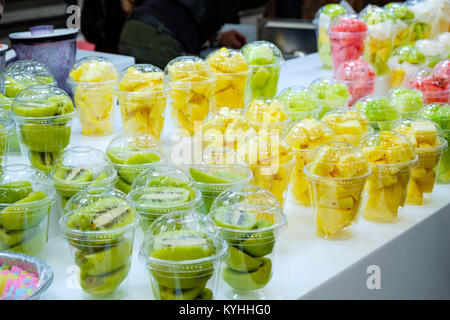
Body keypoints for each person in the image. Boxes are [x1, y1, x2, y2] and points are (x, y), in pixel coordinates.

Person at [118, 0, 269, 69]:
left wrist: (217, 37)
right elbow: (212, 16)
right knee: (167, 102)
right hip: (158, 40)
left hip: (135, 28)